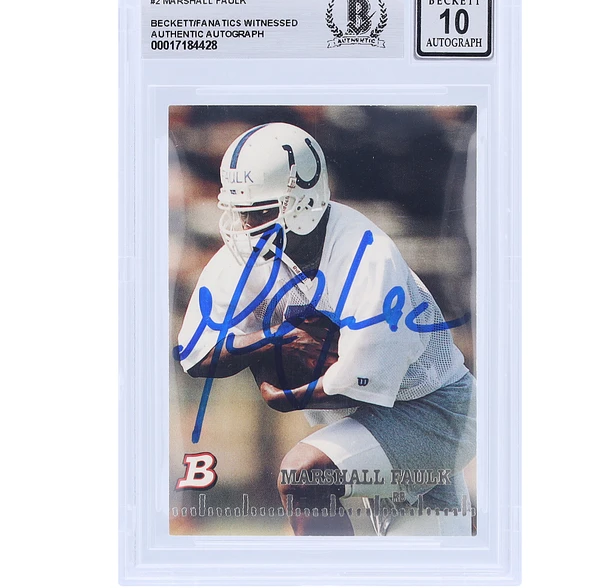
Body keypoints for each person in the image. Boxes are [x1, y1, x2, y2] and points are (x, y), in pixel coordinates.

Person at [176, 122, 476, 536]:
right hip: (378, 417)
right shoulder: (251, 250)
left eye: (261, 213)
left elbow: (360, 383)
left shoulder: (365, 254)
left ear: (303, 201)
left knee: (304, 475)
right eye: (241, 213)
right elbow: (196, 353)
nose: (247, 228)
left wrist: (280, 393)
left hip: (434, 411)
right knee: (428, 560)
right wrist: (274, 339)